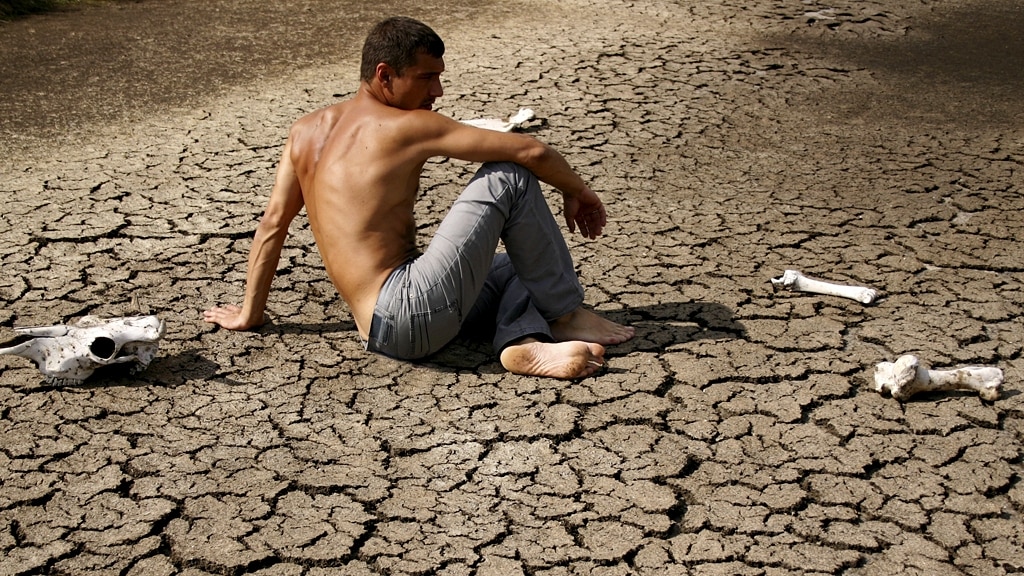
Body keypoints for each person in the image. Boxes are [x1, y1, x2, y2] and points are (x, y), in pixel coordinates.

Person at [203, 16, 634, 379]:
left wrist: (250, 313)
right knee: (509, 176)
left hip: (378, 330)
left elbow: (272, 226)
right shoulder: (406, 126)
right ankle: (565, 316)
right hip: (411, 309)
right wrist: (579, 192)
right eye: (427, 77)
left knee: (521, 262)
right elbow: (532, 152)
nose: (438, 91)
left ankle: (523, 342)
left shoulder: (303, 132)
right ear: (385, 75)